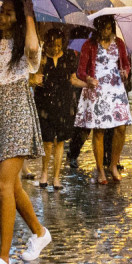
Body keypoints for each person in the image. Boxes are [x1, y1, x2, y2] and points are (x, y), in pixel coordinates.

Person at [0, 0, 51, 264]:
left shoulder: (26, 46)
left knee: (2, 185)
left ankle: (3, 260)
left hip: (18, 112)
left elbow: (33, 47)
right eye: (2, 12)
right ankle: (40, 233)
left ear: (20, 17)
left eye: (10, 13)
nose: (3, 17)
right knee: (13, 187)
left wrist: (28, 10)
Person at [75, 15, 131, 184]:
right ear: (97, 28)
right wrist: (88, 79)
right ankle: (100, 169)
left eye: (109, 28)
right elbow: (80, 71)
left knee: (121, 128)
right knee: (99, 130)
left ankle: (114, 164)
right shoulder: (89, 45)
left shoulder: (119, 43)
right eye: (103, 28)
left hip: (116, 88)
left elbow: (126, 64)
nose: (106, 31)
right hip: (97, 89)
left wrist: (125, 72)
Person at [33, 28, 80, 190]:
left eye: (59, 45)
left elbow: (73, 79)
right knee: (47, 141)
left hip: (63, 103)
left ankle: (57, 177)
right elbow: (34, 78)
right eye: (53, 45)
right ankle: (44, 172)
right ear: (47, 44)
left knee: (59, 142)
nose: (56, 49)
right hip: (44, 103)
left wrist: (87, 84)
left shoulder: (69, 56)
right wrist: (36, 78)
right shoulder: (40, 57)